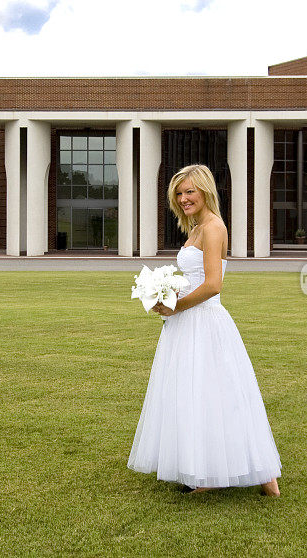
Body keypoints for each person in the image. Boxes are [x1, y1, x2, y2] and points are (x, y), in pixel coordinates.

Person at [127, 164, 281, 496]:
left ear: (206, 191)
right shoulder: (195, 229)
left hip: (206, 322)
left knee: (222, 394)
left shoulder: (213, 228)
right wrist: (162, 295)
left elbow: (213, 284)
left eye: (189, 192)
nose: (183, 199)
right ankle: (206, 472)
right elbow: (193, 281)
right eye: (178, 193)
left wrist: (175, 306)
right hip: (186, 323)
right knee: (196, 395)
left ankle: (263, 472)